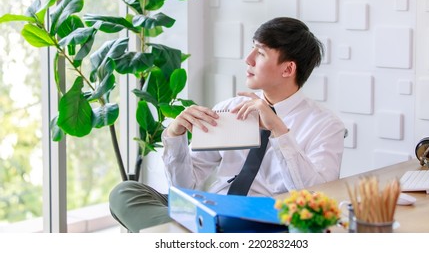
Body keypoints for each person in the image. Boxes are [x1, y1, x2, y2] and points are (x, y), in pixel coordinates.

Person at [109, 17, 345, 232]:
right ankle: (199, 233)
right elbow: (184, 187)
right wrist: (174, 136)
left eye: (260, 53)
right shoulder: (232, 107)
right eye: (252, 47)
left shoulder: (325, 125)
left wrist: (278, 130)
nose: (248, 59)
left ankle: (187, 234)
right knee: (125, 192)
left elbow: (316, 198)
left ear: (288, 68)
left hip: (265, 220)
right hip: (212, 209)